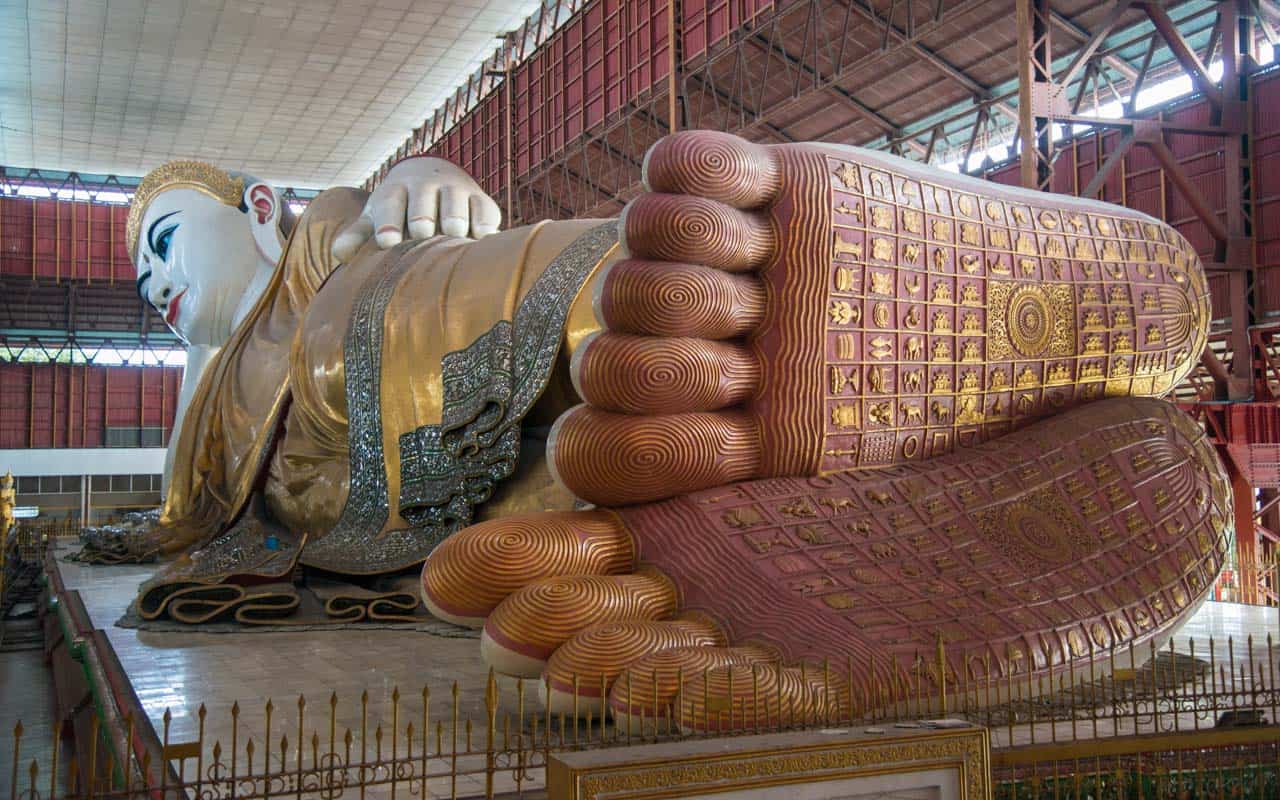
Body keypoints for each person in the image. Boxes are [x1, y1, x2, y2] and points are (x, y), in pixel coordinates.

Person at [121, 130, 1225, 723]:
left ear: (255, 206)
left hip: (388, 339)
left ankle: (698, 299)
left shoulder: (305, 247)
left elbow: (364, 218)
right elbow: (191, 524)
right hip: (432, 506)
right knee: (588, 498)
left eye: (164, 242)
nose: (152, 283)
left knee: (403, 331)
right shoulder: (208, 414)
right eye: (138, 278)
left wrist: (421, 174)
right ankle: (807, 487)